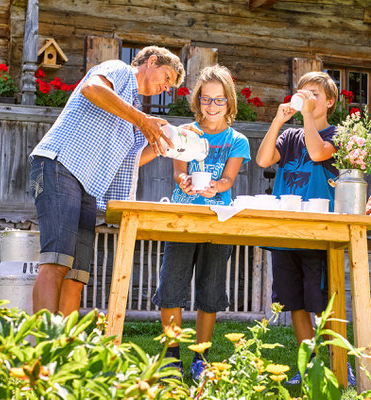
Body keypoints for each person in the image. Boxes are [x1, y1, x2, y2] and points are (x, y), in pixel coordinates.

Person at [29, 46, 188, 317]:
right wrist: (142, 120)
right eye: (167, 77)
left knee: (76, 275)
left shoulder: (133, 108)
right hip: (59, 165)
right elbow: (91, 88)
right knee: (56, 262)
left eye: (170, 85)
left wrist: (172, 141)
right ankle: (44, 349)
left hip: (87, 187)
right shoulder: (120, 70)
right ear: (151, 61)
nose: (167, 87)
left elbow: (131, 159)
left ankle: (68, 351)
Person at [256, 71, 356, 386]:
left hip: (320, 233)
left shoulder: (339, 135)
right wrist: (278, 121)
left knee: (324, 301)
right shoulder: (289, 137)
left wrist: (307, 117)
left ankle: (341, 365)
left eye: (314, 93)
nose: (307, 97)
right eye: (303, 92)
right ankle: (308, 365)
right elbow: (262, 160)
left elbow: (316, 154)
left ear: (329, 101)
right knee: (295, 302)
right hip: (286, 233)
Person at [151, 65, 250, 379]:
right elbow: (179, 171)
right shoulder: (185, 133)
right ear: (197, 101)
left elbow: (229, 178)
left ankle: (200, 358)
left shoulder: (237, 140)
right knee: (171, 287)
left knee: (210, 290)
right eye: (206, 100)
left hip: (218, 219)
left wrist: (215, 186)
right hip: (183, 217)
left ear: (229, 103)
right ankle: (171, 357)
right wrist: (184, 181)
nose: (212, 107)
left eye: (219, 101)